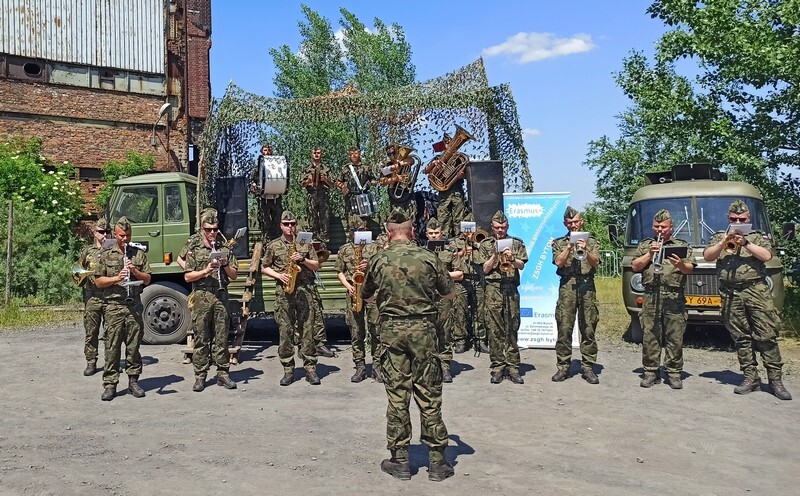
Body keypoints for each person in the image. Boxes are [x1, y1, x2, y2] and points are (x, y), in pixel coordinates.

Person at [361, 207, 456, 482]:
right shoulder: (429, 257)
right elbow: (449, 293)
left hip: (391, 332)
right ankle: (437, 462)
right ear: (412, 231)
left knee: (397, 395)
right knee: (429, 394)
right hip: (424, 332)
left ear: (389, 233)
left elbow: (365, 294)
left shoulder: (378, 260)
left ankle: (400, 460)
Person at [703, 200, 792, 400]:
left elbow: (767, 256)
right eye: (733, 219)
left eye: (741, 219)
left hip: (756, 291)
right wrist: (722, 242)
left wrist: (746, 243)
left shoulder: (757, 237)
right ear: (728, 218)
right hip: (731, 293)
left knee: (766, 335)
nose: (737, 222)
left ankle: (775, 381)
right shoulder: (719, 236)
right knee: (741, 337)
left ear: (748, 219)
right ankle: (750, 377)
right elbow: (708, 256)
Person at [631, 209, 696, 389]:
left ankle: (674, 373)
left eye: (664, 227)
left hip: (674, 296)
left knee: (674, 336)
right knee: (650, 335)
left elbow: (690, 269)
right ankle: (651, 372)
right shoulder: (645, 245)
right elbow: (635, 266)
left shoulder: (681, 245)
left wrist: (680, 264)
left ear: (671, 227)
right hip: (651, 295)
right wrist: (650, 255)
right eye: (657, 226)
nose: (660, 230)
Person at [93, 217, 152, 401]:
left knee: (134, 346)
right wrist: (117, 278)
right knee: (112, 346)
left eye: (127, 235)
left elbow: (148, 279)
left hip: (133, 305)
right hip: (114, 305)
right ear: (114, 234)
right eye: (121, 236)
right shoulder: (105, 254)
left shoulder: (138, 254)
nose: (125, 239)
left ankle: (133, 381)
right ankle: (110, 384)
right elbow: (99, 281)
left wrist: (135, 272)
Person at [261, 211, 322, 386]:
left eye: (293, 224)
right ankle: (288, 369)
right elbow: (264, 267)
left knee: (307, 330)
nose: (290, 227)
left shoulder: (305, 243)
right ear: (281, 226)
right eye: (286, 224)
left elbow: (317, 265)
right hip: (284, 292)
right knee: (285, 331)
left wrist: (303, 259)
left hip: (304, 291)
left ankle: (310, 368)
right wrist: (279, 275)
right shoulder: (273, 245)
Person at [183, 209, 239, 392]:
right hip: (202, 295)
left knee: (222, 337)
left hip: (220, 296)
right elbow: (187, 277)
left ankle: (223, 373)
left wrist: (225, 264)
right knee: (201, 337)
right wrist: (206, 271)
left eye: (215, 229)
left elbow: (234, 275)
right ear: (202, 229)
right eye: (208, 230)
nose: (212, 233)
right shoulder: (195, 248)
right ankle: (200, 375)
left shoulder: (224, 248)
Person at [474, 210, 528, 384]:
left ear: (507, 226)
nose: (500, 230)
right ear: (492, 227)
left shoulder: (516, 243)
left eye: (503, 227)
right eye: (497, 227)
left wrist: (511, 259)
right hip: (493, 289)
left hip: (511, 288)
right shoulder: (486, 244)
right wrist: (495, 255)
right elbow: (485, 269)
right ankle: (497, 366)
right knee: (494, 330)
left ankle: (513, 367)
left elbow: (521, 265)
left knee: (512, 328)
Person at [550, 206, 601, 384]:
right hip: (567, 287)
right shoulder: (559, 243)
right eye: (570, 222)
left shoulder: (592, 241)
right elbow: (558, 262)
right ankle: (563, 367)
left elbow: (596, 263)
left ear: (581, 222)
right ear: (565, 224)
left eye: (576, 222)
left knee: (588, 328)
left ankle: (588, 367)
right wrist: (569, 246)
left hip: (587, 286)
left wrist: (586, 250)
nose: (573, 225)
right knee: (564, 328)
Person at [336, 216, 381, 382]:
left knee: (377, 331)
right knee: (356, 332)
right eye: (354, 231)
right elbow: (339, 271)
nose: (357, 233)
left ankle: (377, 367)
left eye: (361, 230)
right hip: (353, 292)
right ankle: (360, 367)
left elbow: (383, 269)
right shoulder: (344, 249)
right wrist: (348, 286)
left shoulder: (375, 248)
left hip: (373, 294)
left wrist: (369, 265)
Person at [426, 217, 463, 383]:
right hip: (427, 298)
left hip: (444, 297)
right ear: (426, 234)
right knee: (428, 333)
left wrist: (440, 275)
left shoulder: (450, 251)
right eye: (431, 233)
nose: (434, 235)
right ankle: (431, 366)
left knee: (445, 331)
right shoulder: (422, 253)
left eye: (436, 232)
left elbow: (459, 273)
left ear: (442, 233)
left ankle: (445, 365)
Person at [449, 212, 488, 353]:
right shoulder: (455, 242)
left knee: (479, 311)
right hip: (461, 280)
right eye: (466, 228)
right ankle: (460, 340)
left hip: (477, 279)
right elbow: (450, 257)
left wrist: (475, 244)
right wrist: (461, 252)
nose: (469, 231)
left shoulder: (482, 241)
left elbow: (486, 258)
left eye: (472, 228)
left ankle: (480, 340)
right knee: (460, 311)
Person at [76, 218, 110, 376]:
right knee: (91, 330)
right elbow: (77, 271)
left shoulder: (113, 250)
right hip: (92, 296)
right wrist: (83, 277)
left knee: (111, 332)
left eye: (107, 232)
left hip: (110, 295)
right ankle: (91, 361)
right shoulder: (88, 251)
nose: (105, 235)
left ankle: (111, 361)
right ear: (95, 233)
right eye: (101, 232)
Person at [426, 132, 467, 238]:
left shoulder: (460, 159)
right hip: (443, 192)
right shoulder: (438, 158)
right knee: (443, 216)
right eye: (447, 143)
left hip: (457, 191)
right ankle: (443, 239)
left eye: (451, 143)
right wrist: (433, 164)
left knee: (459, 216)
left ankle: (460, 238)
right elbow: (426, 171)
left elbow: (468, 175)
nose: (449, 145)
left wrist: (461, 176)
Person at [335, 147, 379, 232]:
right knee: (352, 223)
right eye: (351, 154)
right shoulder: (345, 168)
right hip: (350, 198)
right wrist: (343, 187)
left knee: (364, 223)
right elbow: (338, 181)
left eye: (356, 153)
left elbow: (373, 179)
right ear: (349, 156)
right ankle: (353, 238)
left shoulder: (366, 167)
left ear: (359, 154)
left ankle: (364, 239)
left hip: (363, 197)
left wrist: (374, 182)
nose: (354, 155)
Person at [250, 144, 284, 241]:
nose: (267, 152)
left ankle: (278, 243)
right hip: (263, 199)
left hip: (276, 198)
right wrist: (254, 188)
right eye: (265, 150)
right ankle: (266, 244)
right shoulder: (257, 167)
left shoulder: (278, 165)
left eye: (269, 150)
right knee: (265, 224)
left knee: (277, 223)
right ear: (262, 152)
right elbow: (252, 181)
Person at [301, 146, 333, 245]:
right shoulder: (306, 169)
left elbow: (333, 185)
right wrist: (308, 181)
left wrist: (326, 180)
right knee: (312, 219)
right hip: (312, 195)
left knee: (325, 219)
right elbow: (302, 185)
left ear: (321, 154)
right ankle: (314, 242)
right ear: (311, 154)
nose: (316, 155)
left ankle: (324, 243)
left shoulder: (326, 168)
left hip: (323, 195)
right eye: (314, 153)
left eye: (318, 153)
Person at [381, 144, 417, 223]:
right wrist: (396, 178)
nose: (391, 155)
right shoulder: (386, 165)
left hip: (407, 192)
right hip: (394, 192)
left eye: (393, 153)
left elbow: (412, 160)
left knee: (411, 218)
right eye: (389, 154)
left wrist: (400, 163)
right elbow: (382, 181)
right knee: (396, 218)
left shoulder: (405, 160)